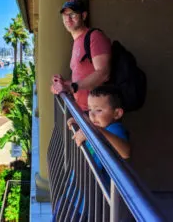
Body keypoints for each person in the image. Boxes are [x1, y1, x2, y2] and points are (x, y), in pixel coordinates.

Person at [52, 85, 130, 221]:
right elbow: (94, 124)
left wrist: (94, 131)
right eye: (89, 110)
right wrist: (83, 124)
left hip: (88, 204)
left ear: (117, 113)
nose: (92, 115)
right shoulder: (100, 126)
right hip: (75, 193)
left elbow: (126, 152)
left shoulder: (115, 129)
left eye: (99, 110)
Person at [51, 0, 111, 112]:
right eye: (65, 15)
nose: (68, 19)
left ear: (83, 16)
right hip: (82, 111)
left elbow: (104, 73)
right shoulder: (77, 41)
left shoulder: (95, 36)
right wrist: (64, 84)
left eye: (72, 14)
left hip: (97, 113)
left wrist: (72, 87)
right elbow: (83, 77)